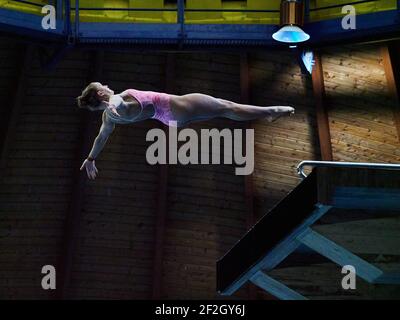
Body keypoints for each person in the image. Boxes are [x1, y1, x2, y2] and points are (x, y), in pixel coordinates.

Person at [77, 82, 295, 179]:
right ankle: (270, 111)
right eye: (102, 86)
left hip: (170, 119)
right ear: (101, 95)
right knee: (226, 107)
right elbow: (119, 103)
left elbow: (101, 137)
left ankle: (267, 113)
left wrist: (91, 158)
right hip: (174, 107)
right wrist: (115, 104)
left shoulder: (108, 118)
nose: (106, 85)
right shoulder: (116, 102)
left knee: (224, 110)